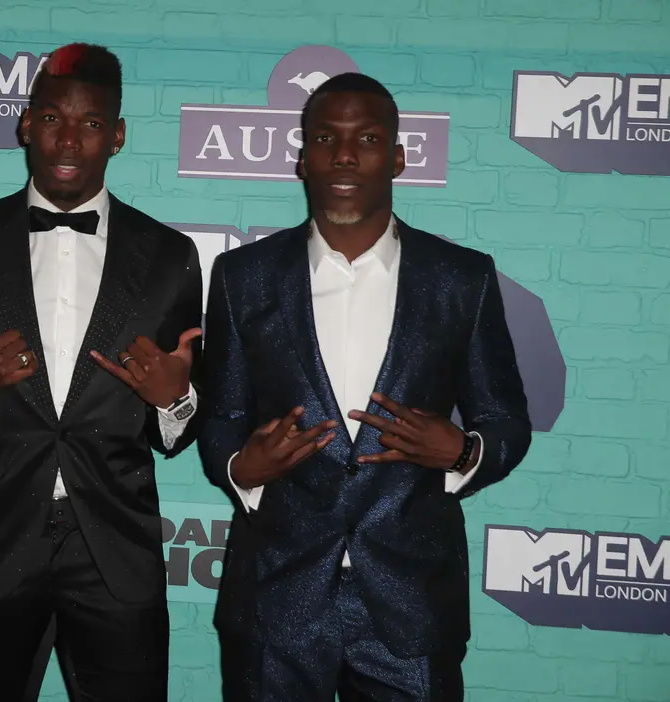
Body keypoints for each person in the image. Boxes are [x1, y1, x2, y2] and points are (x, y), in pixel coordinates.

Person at [198, 73, 532, 701]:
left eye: (368, 138)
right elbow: (221, 417)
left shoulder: (462, 279)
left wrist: (462, 454)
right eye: (326, 137)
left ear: (399, 156)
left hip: (410, 607)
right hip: (276, 598)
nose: (345, 153)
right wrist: (244, 466)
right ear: (302, 158)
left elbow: (506, 418)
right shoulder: (244, 277)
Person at [0, 43, 203, 701]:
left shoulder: (168, 256)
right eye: (51, 118)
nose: (67, 139)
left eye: (91, 123)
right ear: (24, 124)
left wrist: (174, 400)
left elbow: (186, 422)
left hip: (115, 549)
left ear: (118, 135)